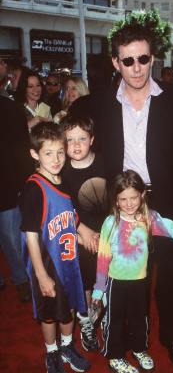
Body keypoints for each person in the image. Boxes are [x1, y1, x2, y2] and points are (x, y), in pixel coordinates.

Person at [81, 11, 173, 366]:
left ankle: (169, 336)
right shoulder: (101, 102)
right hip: (121, 208)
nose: (137, 67)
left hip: (166, 203)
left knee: (169, 280)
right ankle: (122, 340)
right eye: (128, 60)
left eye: (143, 58)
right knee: (123, 281)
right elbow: (87, 154)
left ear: (153, 58)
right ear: (116, 63)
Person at [92, 170, 173, 373]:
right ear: (116, 200)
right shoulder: (110, 223)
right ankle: (115, 356)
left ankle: (139, 348)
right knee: (115, 321)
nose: (129, 204)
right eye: (123, 199)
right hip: (116, 283)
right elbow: (103, 258)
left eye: (133, 197)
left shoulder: (150, 218)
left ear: (142, 195)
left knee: (140, 319)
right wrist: (99, 289)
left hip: (140, 282)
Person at [19, 122, 98, 373]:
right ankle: (51, 351)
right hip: (47, 264)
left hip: (68, 261)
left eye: (60, 153)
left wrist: (81, 232)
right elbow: (31, 234)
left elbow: (66, 219)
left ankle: (67, 345)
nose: (56, 159)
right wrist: (41, 274)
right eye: (48, 153)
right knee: (50, 312)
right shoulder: (34, 189)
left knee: (70, 307)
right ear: (35, 155)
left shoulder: (64, 182)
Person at [61, 115, 107, 352]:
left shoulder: (105, 163)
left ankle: (105, 314)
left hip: (107, 232)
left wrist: (107, 233)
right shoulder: (63, 172)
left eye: (82, 138)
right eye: (69, 141)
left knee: (108, 279)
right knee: (86, 281)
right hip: (80, 235)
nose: (76, 145)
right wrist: (83, 234)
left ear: (92, 139)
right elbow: (65, 210)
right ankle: (87, 320)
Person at [0, 95, 33, 302]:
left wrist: (24, 182)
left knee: (12, 238)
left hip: (7, 185)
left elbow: (22, 148)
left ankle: (22, 280)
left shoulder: (9, 107)